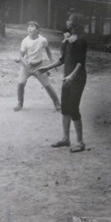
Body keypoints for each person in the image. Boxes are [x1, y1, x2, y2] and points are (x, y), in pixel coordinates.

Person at [37, 13, 88, 153]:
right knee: (65, 108)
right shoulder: (67, 40)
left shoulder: (81, 40)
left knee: (73, 109)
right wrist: (46, 67)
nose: (67, 21)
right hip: (67, 78)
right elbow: (63, 59)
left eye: (69, 20)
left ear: (76, 23)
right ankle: (66, 139)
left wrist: (72, 75)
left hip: (78, 78)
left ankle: (80, 142)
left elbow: (80, 62)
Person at [14, 21, 61, 112]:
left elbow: (48, 50)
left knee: (47, 85)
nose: (29, 29)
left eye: (32, 27)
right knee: (20, 83)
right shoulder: (25, 41)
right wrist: (24, 63)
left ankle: (57, 104)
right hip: (27, 67)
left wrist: (52, 60)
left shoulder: (43, 40)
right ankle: (20, 103)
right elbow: (21, 56)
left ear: (37, 30)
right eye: (28, 27)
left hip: (39, 67)